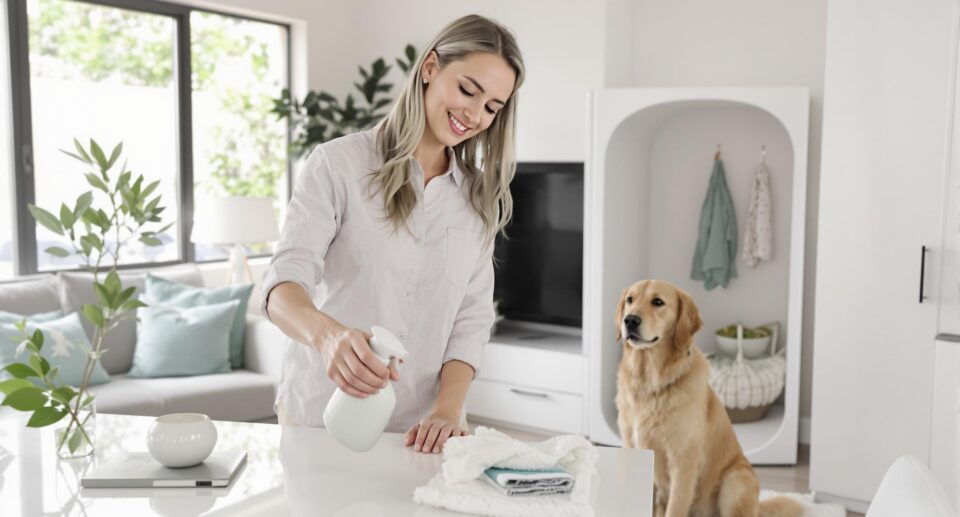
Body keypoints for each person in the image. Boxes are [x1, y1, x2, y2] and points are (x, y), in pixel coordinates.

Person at [260, 14, 525, 455]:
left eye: (493, 107)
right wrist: (328, 337)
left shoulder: (478, 200)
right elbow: (282, 286)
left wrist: (448, 409)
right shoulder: (337, 165)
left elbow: (471, 320)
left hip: (423, 434)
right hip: (320, 419)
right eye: (467, 90)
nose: (475, 115)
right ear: (430, 69)